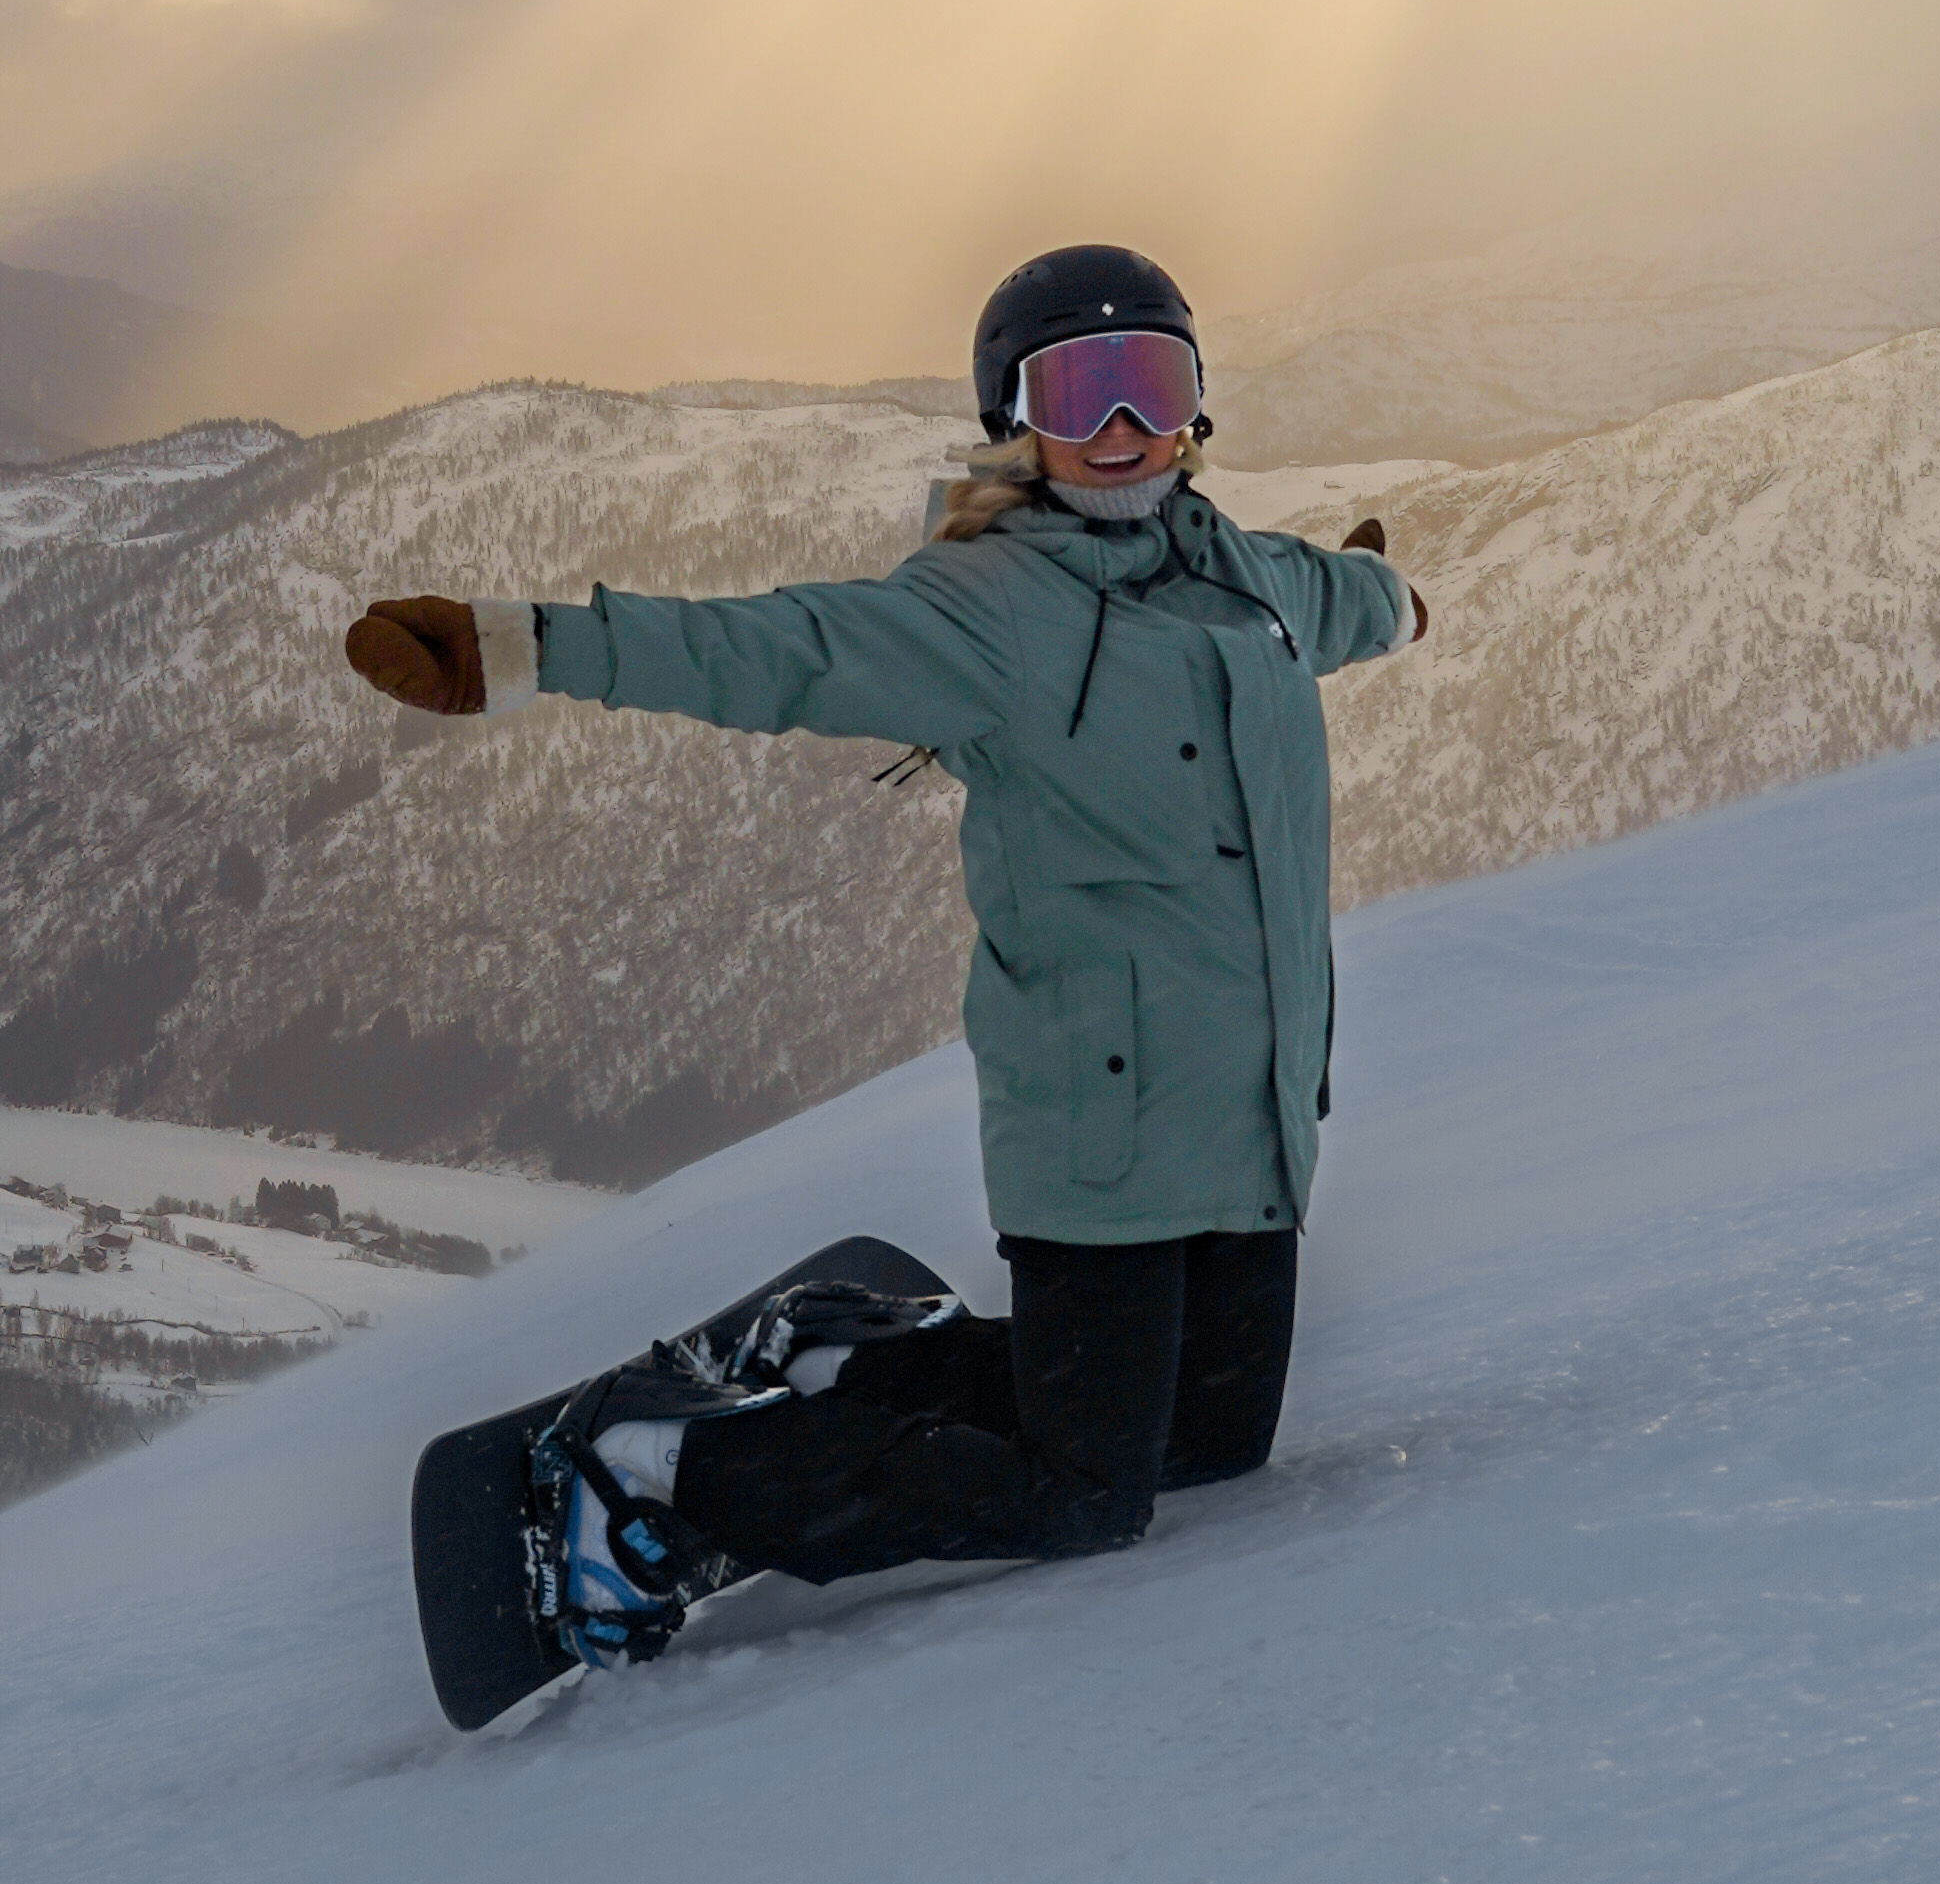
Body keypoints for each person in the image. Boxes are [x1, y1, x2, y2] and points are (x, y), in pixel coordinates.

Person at [342, 243, 1425, 1662]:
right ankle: (658, 1474)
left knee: (1212, 1450)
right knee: (1088, 1493)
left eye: (1149, 384)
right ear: (1012, 419)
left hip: (1254, 1118)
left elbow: (1351, 607)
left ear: (1198, 404)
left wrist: (1393, 604)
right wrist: (523, 646)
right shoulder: (985, 617)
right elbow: (771, 651)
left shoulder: (1260, 585)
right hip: (1102, 1126)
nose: (1119, 430)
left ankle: (858, 1355)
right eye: (1077, 390)